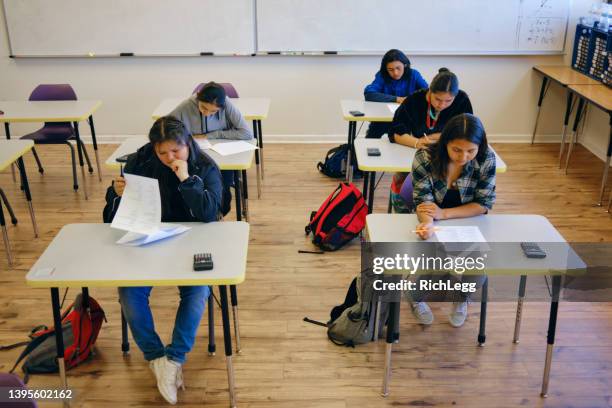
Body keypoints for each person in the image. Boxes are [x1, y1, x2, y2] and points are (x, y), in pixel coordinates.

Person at [103, 116, 223, 405]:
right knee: (129, 293)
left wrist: (186, 179)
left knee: (197, 293)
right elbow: (111, 217)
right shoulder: (140, 162)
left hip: (192, 242)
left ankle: (175, 358)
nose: (170, 158)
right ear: (153, 149)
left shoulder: (205, 166)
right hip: (148, 240)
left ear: (187, 144)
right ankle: (157, 358)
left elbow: (211, 213)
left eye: (176, 151)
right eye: (162, 153)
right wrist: (116, 195)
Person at [409, 113, 496, 328]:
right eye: (457, 150)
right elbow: (423, 200)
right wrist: (428, 223)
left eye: (471, 151)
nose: (463, 157)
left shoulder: (487, 159)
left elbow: (484, 203)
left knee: (477, 271)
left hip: (469, 221)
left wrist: (444, 214)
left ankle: (461, 296)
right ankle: (415, 296)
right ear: (445, 142)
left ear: (479, 147)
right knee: (436, 264)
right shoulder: (425, 157)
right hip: (433, 220)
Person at [388, 68, 473, 212]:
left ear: (455, 96)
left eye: (448, 101)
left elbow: (466, 132)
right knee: (402, 180)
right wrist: (417, 143)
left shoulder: (462, 100)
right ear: (430, 91)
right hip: (417, 153)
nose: (442, 105)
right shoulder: (414, 100)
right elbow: (395, 132)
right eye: (438, 99)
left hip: (450, 156)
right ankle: (401, 214)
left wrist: (437, 137)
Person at [170, 82, 254, 216]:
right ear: (198, 98)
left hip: (223, 156)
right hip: (195, 157)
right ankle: (199, 213)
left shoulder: (226, 104)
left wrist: (211, 135)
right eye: (203, 108)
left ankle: (219, 213)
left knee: (223, 187)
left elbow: (246, 133)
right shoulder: (187, 105)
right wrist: (187, 138)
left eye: (213, 111)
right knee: (195, 186)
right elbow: (166, 129)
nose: (207, 114)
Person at [363, 49, 428, 138]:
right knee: (371, 141)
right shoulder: (382, 75)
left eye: (398, 68)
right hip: (383, 119)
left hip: (407, 120)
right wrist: (398, 99)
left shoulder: (414, 74)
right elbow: (369, 94)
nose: (395, 73)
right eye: (390, 69)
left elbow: (428, 93)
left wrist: (412, 101)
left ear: (405, 65)